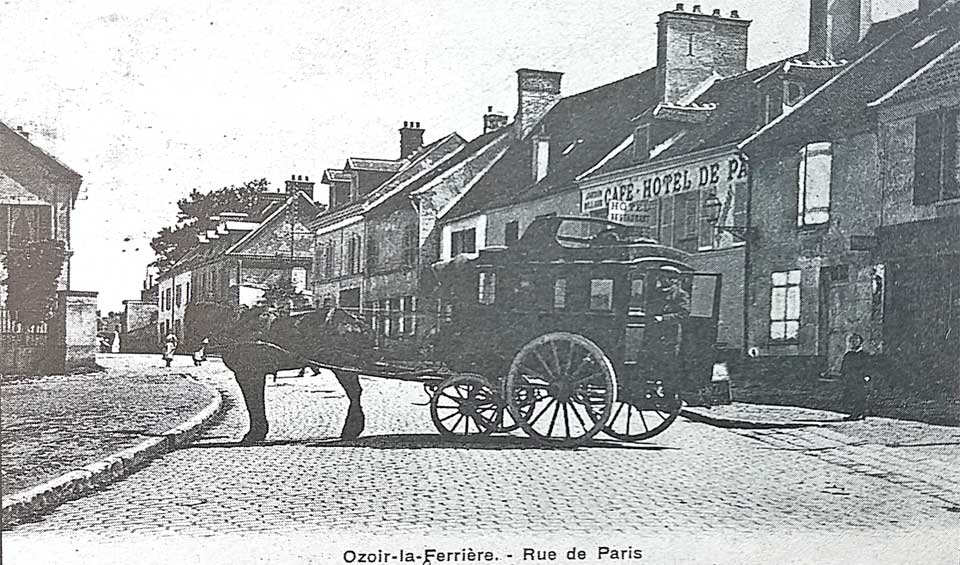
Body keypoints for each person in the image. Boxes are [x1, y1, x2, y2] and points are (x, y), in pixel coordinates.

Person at [840, 333, 872, 421]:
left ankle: (859, 413)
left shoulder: (864, 355)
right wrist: (844, 376)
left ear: (860, 342)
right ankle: (855, 413)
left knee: (861, 396)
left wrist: (867, 376)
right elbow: (844, 367)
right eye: (852, 341)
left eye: (856, 340)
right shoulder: (848, 355)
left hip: (860, 379)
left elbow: (868, 366)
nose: (854, 342)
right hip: (850, 379)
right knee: (851, 396)